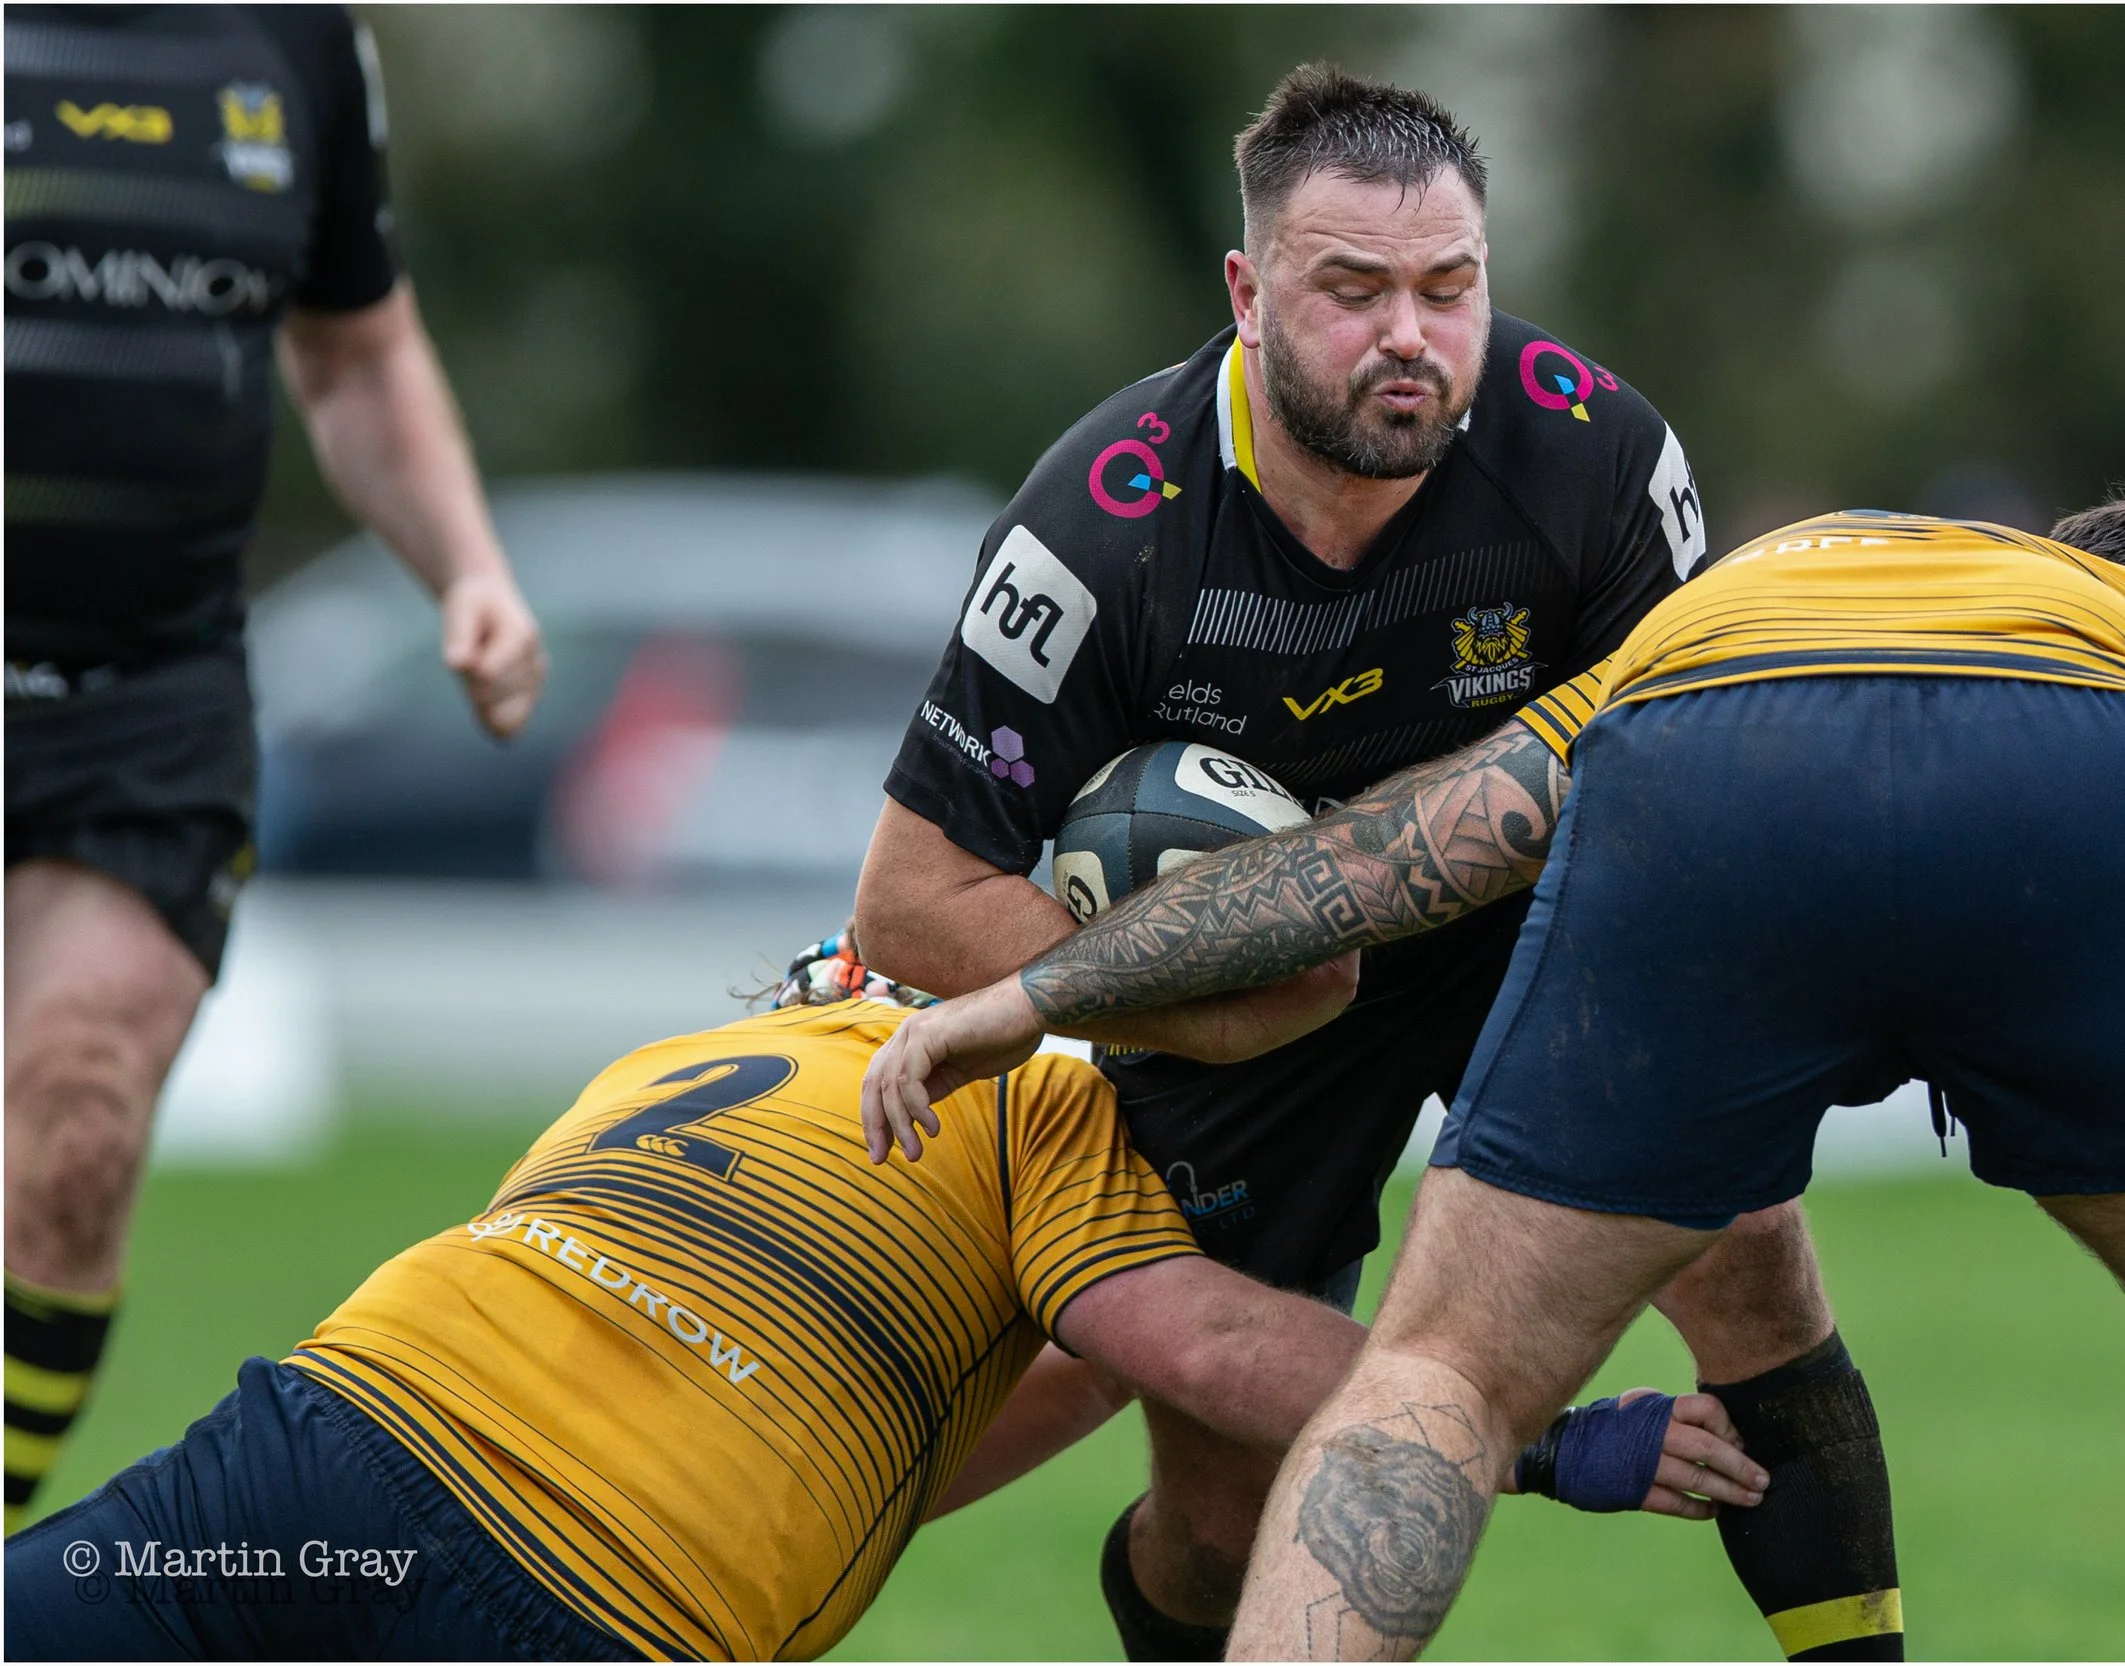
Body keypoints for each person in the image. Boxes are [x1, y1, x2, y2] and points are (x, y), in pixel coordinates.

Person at [864, 493, 2125, 1662]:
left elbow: (1382, 865)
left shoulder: (1729, 604)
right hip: (2081, 765)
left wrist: (1035, 991)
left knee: (1438, 1373)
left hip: (1716, 743)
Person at [851, 63, 1903, 1662]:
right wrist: (1198, 1003)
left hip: (1524, 933)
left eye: (1449, 288)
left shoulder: (1596, 458)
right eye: (1351, 290)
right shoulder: (1102, 525)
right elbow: (909, 897)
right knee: (1224, 1522)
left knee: (1747, 1231)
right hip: (1235, 997)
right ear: (1250, 288)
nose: (1409, 336)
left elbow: (1698, 801)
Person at [3, 962, 1765, 1661]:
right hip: (587, 1599)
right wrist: (1533, 1436)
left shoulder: (699, 1047)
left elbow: (885, 1428)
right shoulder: (1050, 1106)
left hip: (322, 1452)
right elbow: (1185, 1345)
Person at [4, 4, 546, 1532]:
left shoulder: (295, 43)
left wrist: (467, 567)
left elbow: (358, 352)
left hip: (147, 702)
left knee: (81, 1109)